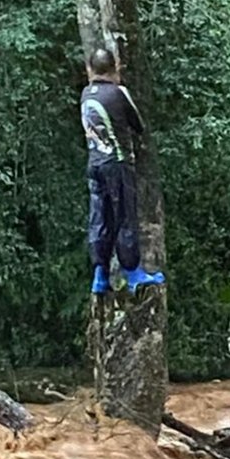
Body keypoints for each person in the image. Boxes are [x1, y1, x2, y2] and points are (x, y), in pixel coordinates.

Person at [80, 48, 165, 295]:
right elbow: (137, 125)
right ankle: (133, 273)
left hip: (94, 164)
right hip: (116, 164)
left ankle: (100, 274)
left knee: (100, 217)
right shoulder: (118, 93)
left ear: (90, 70)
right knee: (125, 217)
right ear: (115, 67)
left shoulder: (86, 94)